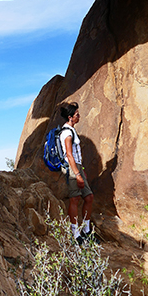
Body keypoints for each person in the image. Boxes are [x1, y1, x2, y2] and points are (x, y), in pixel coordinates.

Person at [59, 101, 94, 244]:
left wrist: (82, 171)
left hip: (78, 168)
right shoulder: (67, 132)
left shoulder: (71, 130)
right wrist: (77, 174)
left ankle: (86, 231)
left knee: (89, 197)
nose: (79, 116)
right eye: (76, 114)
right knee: (75, 199)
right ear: (70, 117)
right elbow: (69, 154)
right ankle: (75, 234)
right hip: (72, 168)